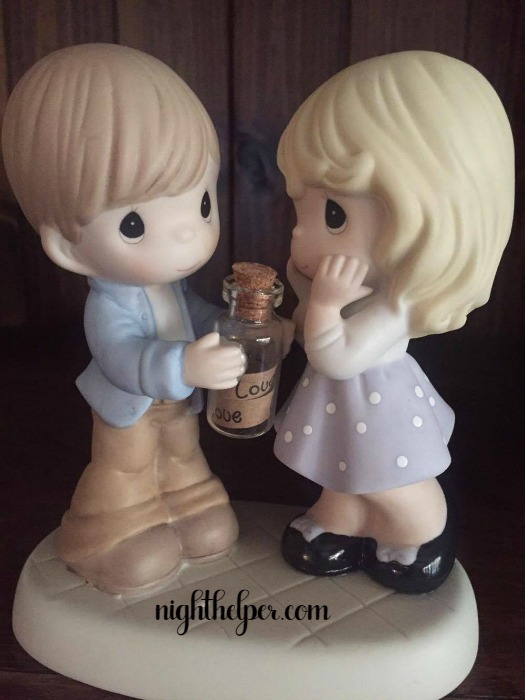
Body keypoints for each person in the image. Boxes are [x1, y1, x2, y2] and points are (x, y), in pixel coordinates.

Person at [2, 43, 246, 595]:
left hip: (178, 405)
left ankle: (189, 505)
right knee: (126, 467)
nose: (187, 234)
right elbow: (121, 356)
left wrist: (229, 328)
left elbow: (192, 313)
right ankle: (105, 534)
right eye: (134, 224)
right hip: (129, 410)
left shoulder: (170, 285)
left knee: (183, 454)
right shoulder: (107, 305)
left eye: (202, 204)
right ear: (67, 247)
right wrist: (185, 365)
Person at [274, 51, 514, 593]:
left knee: (385, 476)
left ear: (423, 224)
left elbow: (335, 355)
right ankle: (342, 520)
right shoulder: (356, 294)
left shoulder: (393, 308)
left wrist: (325, 305)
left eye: (333, 215)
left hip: (378, 409)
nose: (300, 234)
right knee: (340, 468)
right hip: (344, 406)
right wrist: (304, 307)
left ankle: (421, 528)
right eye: (301, 213)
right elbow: (311, 331)